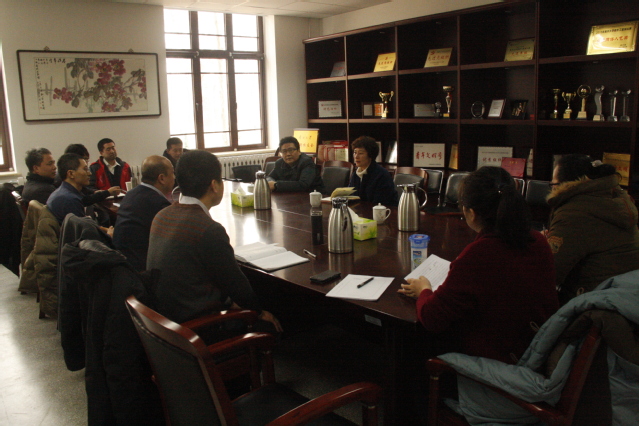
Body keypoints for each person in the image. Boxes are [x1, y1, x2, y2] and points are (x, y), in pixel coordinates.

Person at [398, 166, 558, 364]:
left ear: (471, 213)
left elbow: (432, 318)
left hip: (501, 359)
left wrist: (424, 290)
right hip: (537, 345)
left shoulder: (480, 254)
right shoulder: (538, 241)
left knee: (414, 345)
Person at [147, 150, 282, 335]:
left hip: (166, 322)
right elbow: (236, 285)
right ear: (214, 185)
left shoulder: (162, 215)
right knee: (268, 320)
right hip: (198, 329)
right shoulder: (208, 229)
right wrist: (259, 312)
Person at [547, 154, 639, 304]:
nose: (552, 188)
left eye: (553, 184)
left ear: (566, 185)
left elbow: (550, 272)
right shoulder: (617, 198)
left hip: (590, 302)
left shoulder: (574, 212)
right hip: (625, 297)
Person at [113, 156, 173, 271]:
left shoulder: (130, 194)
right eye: (172, 173)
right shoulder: (159, 204)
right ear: (161, 178)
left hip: (122, 262)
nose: (174, 177)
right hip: (141, 268)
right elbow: (170, 244)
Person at [348, 136, 399, 206]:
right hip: (361, 211)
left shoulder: (381, 175)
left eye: (361, 153)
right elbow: (351, 197)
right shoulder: (355, 174)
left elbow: (380, 203)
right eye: (355, 152)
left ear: (370, 155)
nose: (356, 156)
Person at [47, 154, 92, 224]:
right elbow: (83, 229)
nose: (89, 173)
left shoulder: (63, 192)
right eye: (85, 169)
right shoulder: (70, 200)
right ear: (71, 174)